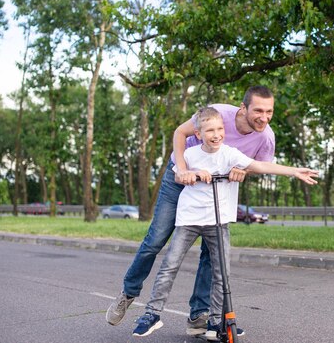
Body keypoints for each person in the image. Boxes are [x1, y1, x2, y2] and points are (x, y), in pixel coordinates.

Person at [131, 107, 318, 339]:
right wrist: (191, 173)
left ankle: (216, 321)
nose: (217, 134)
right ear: (198, 134)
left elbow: (259, 166)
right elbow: (179, 174)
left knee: (222, 273)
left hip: (217, 222)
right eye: (210, 130)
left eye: (220, 129)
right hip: (189, 220)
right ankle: (152, 314)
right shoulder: (189, 155)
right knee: (170, 265)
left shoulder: (230, 154)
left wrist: (293, 171)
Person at [106, 86, 276, 337]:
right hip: (180, 180)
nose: (264, 117)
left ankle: (199, 316)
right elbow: (179, 132)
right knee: (156, 240)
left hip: (212, 191)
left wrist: (244, 172)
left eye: (269, 111)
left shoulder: (265, 137)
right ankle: (128, 293)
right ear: (244, 109)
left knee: (211, 253)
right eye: (259, 111)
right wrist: (183, 169)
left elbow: (260, 166)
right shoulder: (218, 114)